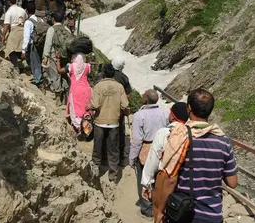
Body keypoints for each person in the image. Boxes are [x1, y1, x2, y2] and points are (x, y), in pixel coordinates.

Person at [156, 88, 238, 223]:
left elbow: (170, 179)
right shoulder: (223, 141)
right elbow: (233, 183)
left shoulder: (180, 137)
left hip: (184, 213)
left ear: (189, 108)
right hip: (213, 215)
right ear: (210, 110)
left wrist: (160, 211)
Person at [129, 90, 169, 218]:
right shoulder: (164, 113)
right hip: (162, 148)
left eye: (143, 95)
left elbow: (136, 140)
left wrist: (132, 157)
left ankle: (146, 208)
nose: (141, 97)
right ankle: (160, 205)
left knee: (144, 179)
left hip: (146, 148)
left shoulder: (139, 115)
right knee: (159, 178)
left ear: (146, 99)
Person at [88, 63, 130, 182]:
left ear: (104, 74)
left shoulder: (98, 86)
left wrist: (88, 106)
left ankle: (95, 170)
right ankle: (113, 176)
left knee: (97, 147)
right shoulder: (119, 86)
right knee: (113, 149)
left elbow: (95, 104)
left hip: (100, 121)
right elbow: (125, 104)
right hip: (114, 122)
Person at [96, 56, 133, 166]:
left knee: (102, 133)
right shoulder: (124, 78)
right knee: (119, 134)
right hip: (118, 110)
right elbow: (128, 95)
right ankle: (120, 158)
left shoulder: (104, 75)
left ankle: (103, 158)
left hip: (103, 109)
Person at [56, 53, 92, 132]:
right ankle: (87, 127)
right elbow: (88, 70)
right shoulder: (87, 66)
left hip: (76, 90)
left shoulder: (71, 66)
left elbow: (59, 71)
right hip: (86, 89)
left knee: (76, 109)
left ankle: (79, 127)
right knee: (85, 108)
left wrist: (58, 60)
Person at [42, 12, 71, 104]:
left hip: (54, 54)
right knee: (63, 74)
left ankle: (58, 97)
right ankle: (65, 95)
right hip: (66, 55)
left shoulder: (51, 29)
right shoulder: (66, 29)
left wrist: (45, 56)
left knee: (55, 75)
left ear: (53, 20)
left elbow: (48, 44)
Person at [2, 0, 28, 72]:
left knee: (11, 49)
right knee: (20, 48)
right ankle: (24, 64)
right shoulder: (22, 10)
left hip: (14, 30)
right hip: (23, 30)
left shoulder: (9, 12)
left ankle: (16, 66)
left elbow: (6, 25)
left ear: (8, 2)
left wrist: (3, 36)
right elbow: (26, 18)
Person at [22, 2, 44, 86]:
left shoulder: (28, 22)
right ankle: (40, 76)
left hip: (33, 44)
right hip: (41, 43)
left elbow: (26, 37)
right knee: (39, 61)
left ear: (26, 11)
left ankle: (38, 80)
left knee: (34, 62)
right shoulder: (40, 19)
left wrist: (24, 50)